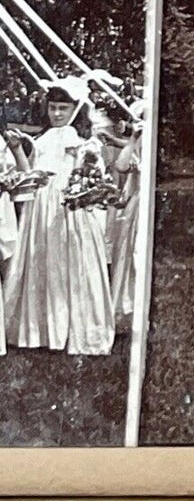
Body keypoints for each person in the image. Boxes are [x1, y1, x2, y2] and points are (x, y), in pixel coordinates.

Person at [4, 75, 114, 355]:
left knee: (67, 261)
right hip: (41, 205)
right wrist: (18, 148)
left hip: (67, 207)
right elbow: (30, 173)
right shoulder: (44, 138)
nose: (55, 114)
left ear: (75, 110)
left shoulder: (81, 141)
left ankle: (69, 328)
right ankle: (40, 328)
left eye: (62, 109)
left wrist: (85, 160)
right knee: (40, 260)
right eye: (52, 108)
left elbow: (90, 174)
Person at [108, 100, 146, 322]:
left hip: (150, 200)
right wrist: (133, 140)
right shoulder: (138, 144)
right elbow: (122, 166)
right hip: (137, 202)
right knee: (130, 252)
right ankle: (128, 302)